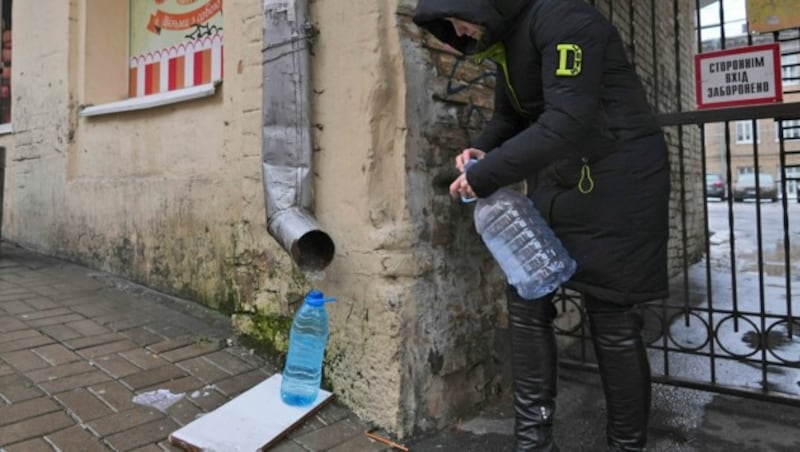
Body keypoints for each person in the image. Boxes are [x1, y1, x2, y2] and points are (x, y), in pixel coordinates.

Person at [413, 1, 670, 451]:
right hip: (563, 180)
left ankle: (626, 446)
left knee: (611, 317)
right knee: (527, 296)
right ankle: (533, 441)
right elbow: (509, 117)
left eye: (456, 17)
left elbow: (566, 120)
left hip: (620, 184)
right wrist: (480, 151)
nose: (456, 30)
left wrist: (483, 177)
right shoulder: (509, 41)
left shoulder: (567, 20)